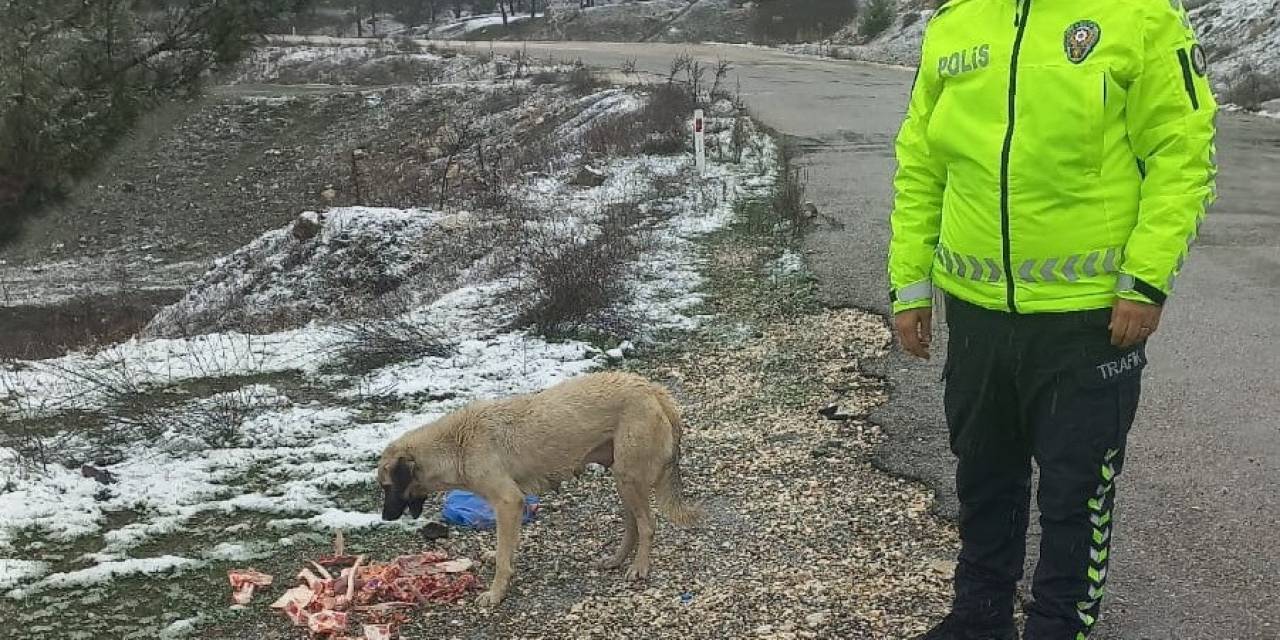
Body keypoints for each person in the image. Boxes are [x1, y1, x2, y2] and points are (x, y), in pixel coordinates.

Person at [886, 0, 1217, 638]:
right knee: (984, 473)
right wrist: (910, 285)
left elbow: (1183, 157)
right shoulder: (955, 22)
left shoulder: (1140, 17)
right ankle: (979, 615)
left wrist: (1146, 281)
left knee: (1076, 492)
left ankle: (1061, 623)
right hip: (977, 314)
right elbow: (923, 164)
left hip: (1088, 318)